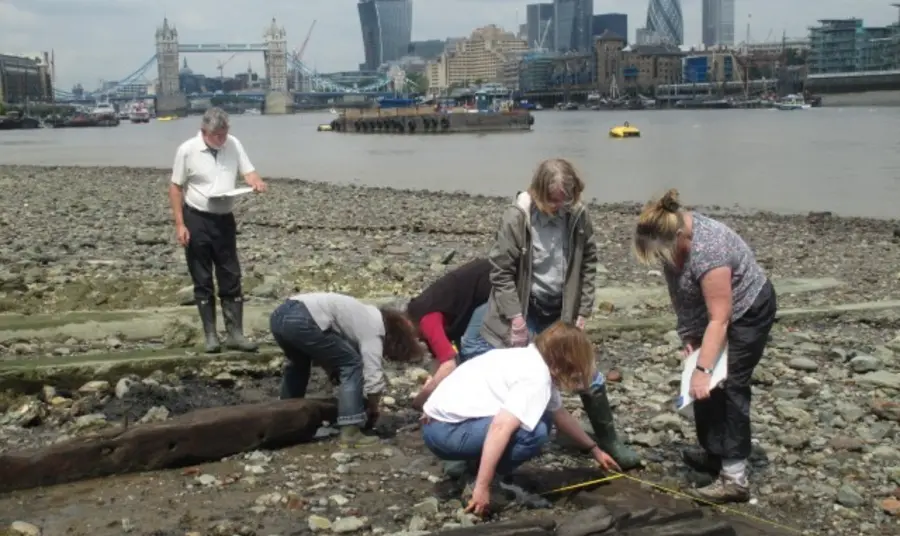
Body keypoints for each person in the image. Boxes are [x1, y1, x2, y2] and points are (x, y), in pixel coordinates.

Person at [460, 158, 640, 471]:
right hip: (524, 307)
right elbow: (501, 272)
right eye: (554, 200)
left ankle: (608, 440)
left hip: (561, 307)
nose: (560, 206)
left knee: (585, 371)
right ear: (541, 192)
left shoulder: (579, 215)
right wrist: (515, 317)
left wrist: (582, 311)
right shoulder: (517, 217)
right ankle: (473, 449)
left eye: (565, 199)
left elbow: (588, 264)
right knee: (513, 375)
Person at [632, 189, 777, 504]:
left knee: (730, 385)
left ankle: (735, 478)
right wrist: (690, 337)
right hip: (716, 315)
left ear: (681, 237)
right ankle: (715, 453)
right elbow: (681, 295)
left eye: (662, 255)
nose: (662, 261)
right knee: (705, 386)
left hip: (748, 309)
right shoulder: (670, 239)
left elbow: (720, 319)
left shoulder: (709, 249)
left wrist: (703, 368)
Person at [422, 321, 620, 515]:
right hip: (445, 431)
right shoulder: (536, 377)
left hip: (437, 422)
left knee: (544, 416)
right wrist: (483, 487)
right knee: (535, 431)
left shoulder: (530, 357)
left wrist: (594, 449)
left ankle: (472, 466)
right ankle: (481, 480)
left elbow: (559, 413)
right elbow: (500, 428)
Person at [168, 107, 266, 354]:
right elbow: (176, 187)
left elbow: (248, 171)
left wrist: (255, 181)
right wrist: (180, 224)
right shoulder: (187, 150)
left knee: (230, 274)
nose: (221, 140)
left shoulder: (233, 144)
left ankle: (235, 334)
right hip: (196, 218)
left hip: (224, 219)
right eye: (216, 136)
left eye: (224, 134)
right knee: (202, 277)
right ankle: (211, 335)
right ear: (204, 132)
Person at [270, 292, 424, 447]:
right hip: (303, 318)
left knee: (299, 365)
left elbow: (325, 349)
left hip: (279, 315)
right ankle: (351, 431)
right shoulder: (375, 328)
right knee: (352, 364)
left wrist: (332, 371)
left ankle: (284, 421)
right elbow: (373, 374)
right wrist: (373, 407)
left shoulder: (361, 314)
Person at [406, 258, 493, 410]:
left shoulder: (427, 321)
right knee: (463, 351)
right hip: (474, 289)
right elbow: (440, 359)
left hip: (491, 282)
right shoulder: (417, 316)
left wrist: (424, 397)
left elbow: (448, 365)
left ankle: (481, 400)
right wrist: (433, 384)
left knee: (470, 345)